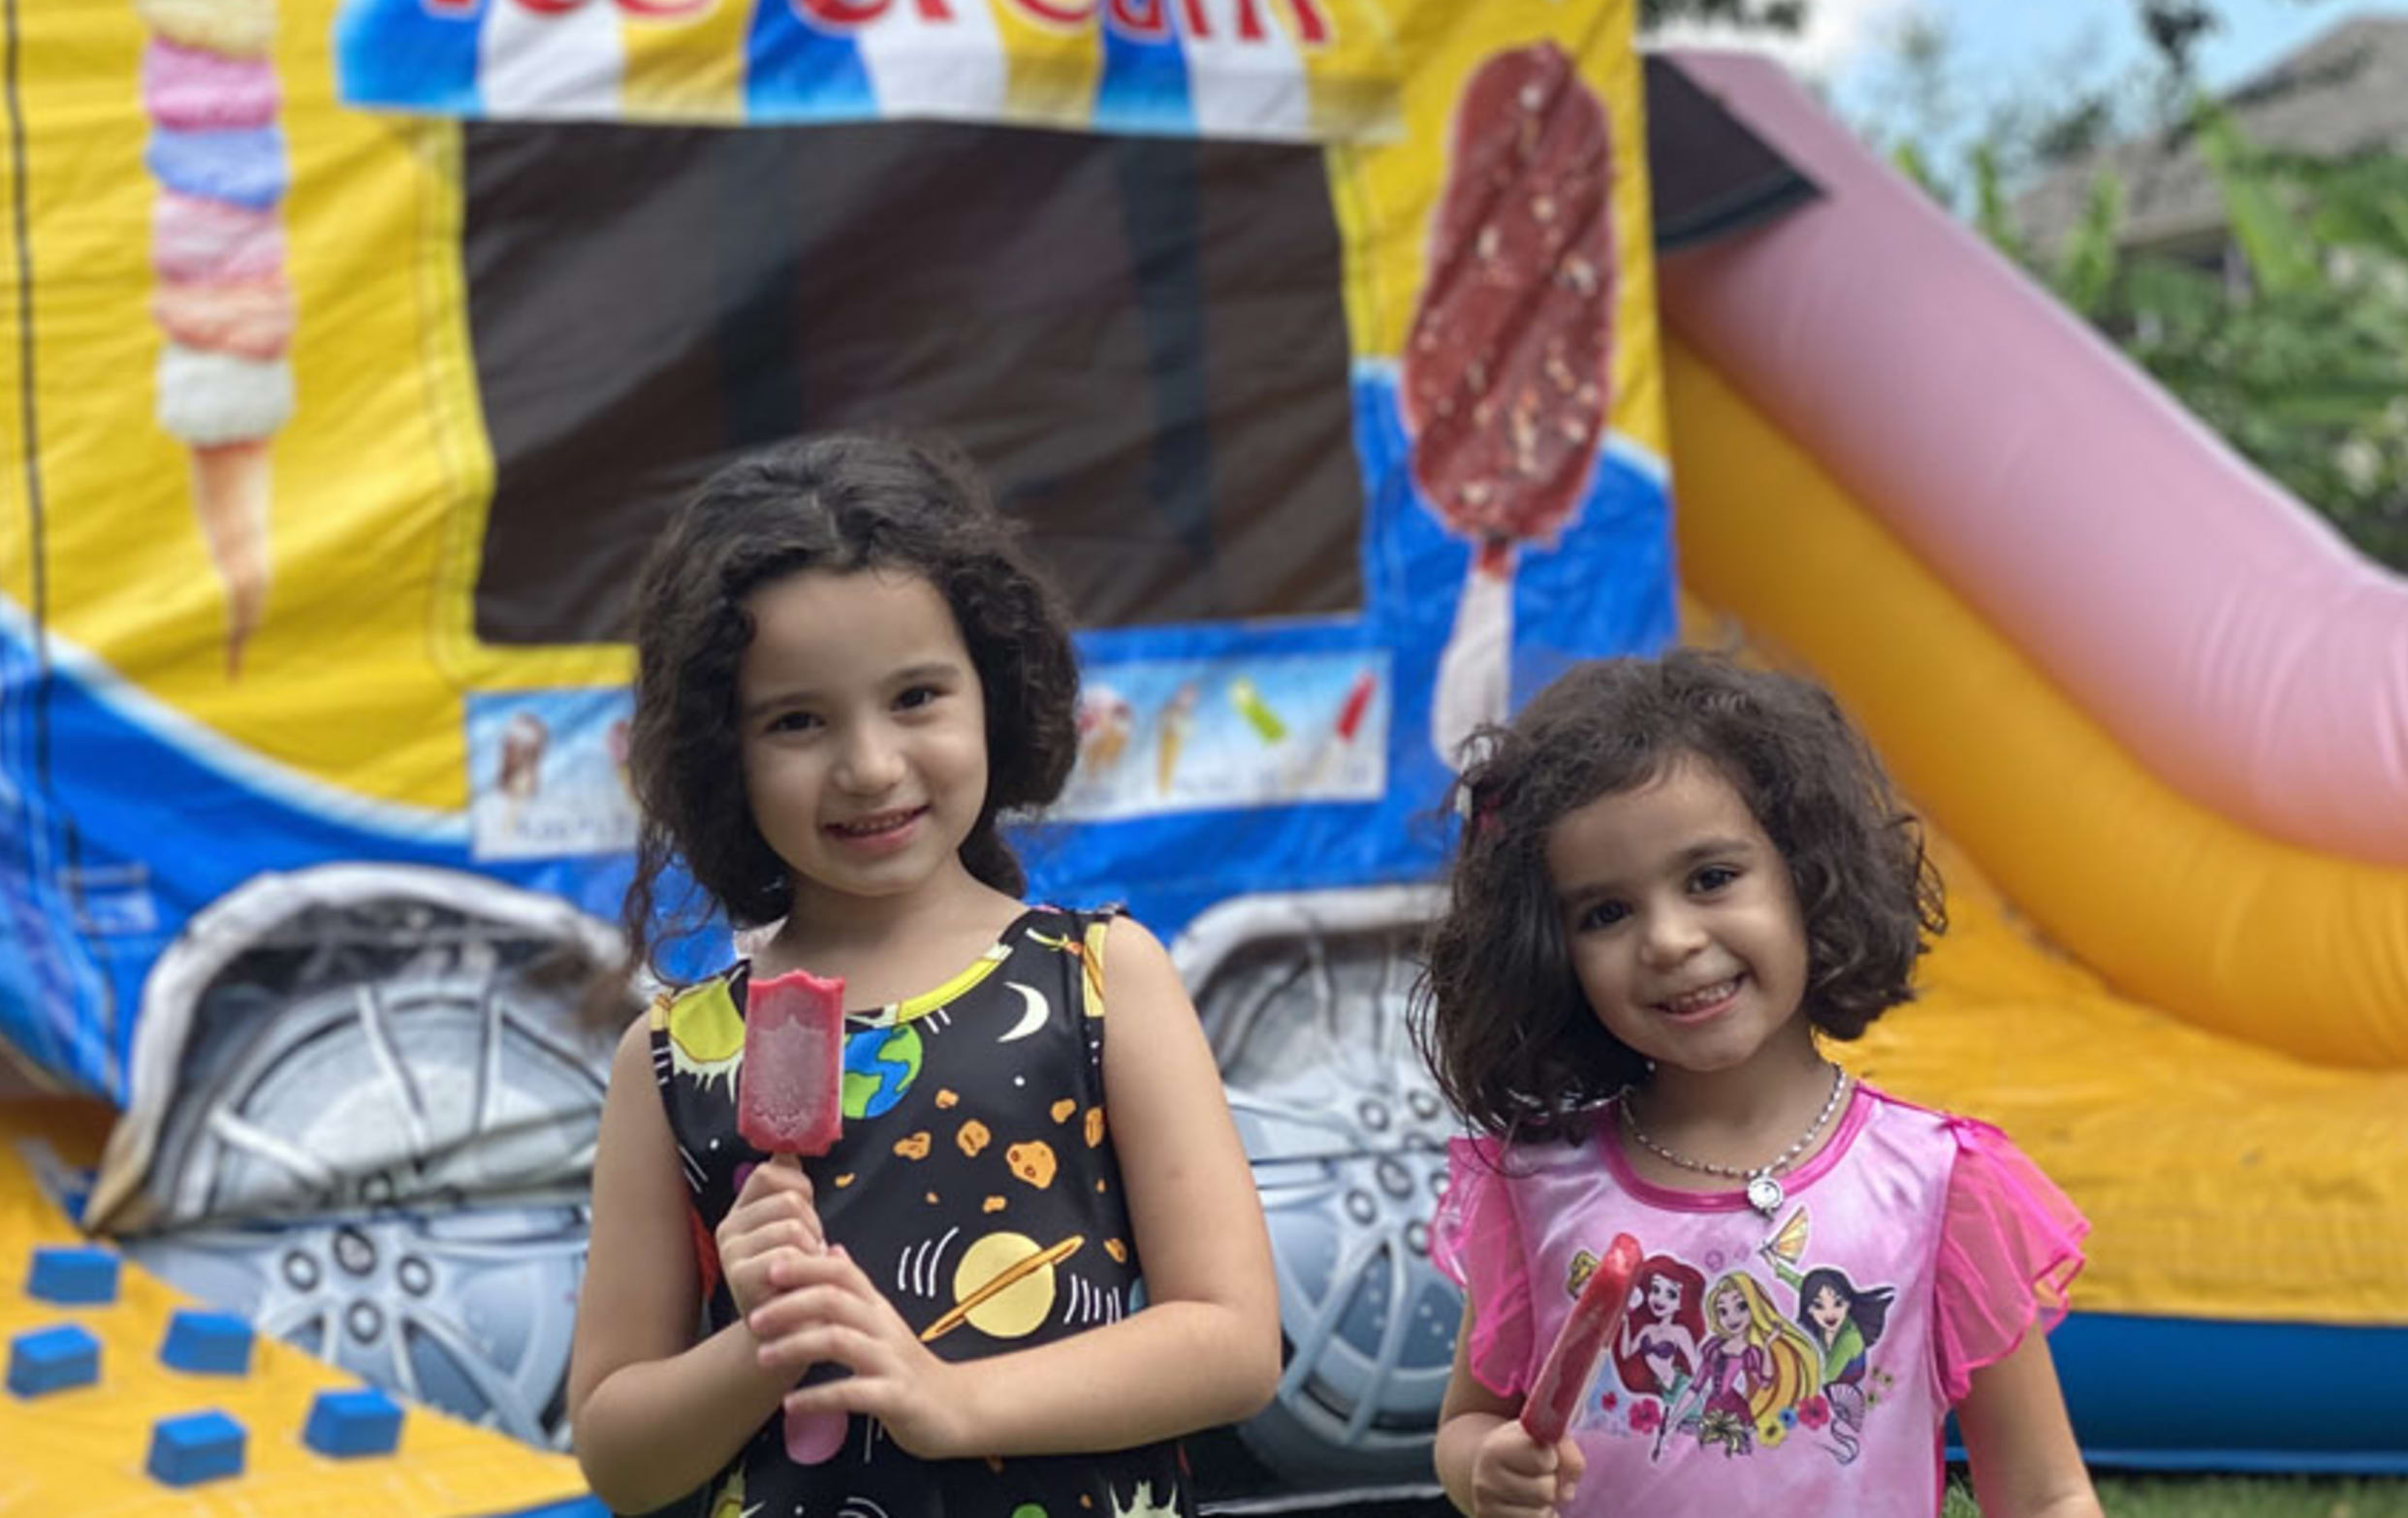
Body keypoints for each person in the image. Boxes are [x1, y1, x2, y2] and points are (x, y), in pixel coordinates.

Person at [568, 435, 1281, 1517]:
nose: (868, 763)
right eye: (796, 719)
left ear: (992, 690)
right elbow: (619, 1458)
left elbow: (1232, 1340)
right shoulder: (672, 1057)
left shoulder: (1101, 978)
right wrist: (760, 1342)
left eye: (915, 695)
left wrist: (954, 1399)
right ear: (724, 749)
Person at [1410, 649, 2102, 1518]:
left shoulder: (1935, 1185)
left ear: (1808, 876)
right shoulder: (1539, 1187)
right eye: (1605, 913)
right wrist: (1484, 1468)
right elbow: (1467, 1425)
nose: (1669, 940)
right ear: (1550, 953)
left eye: (1711, 878)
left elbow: (2043, 1493)